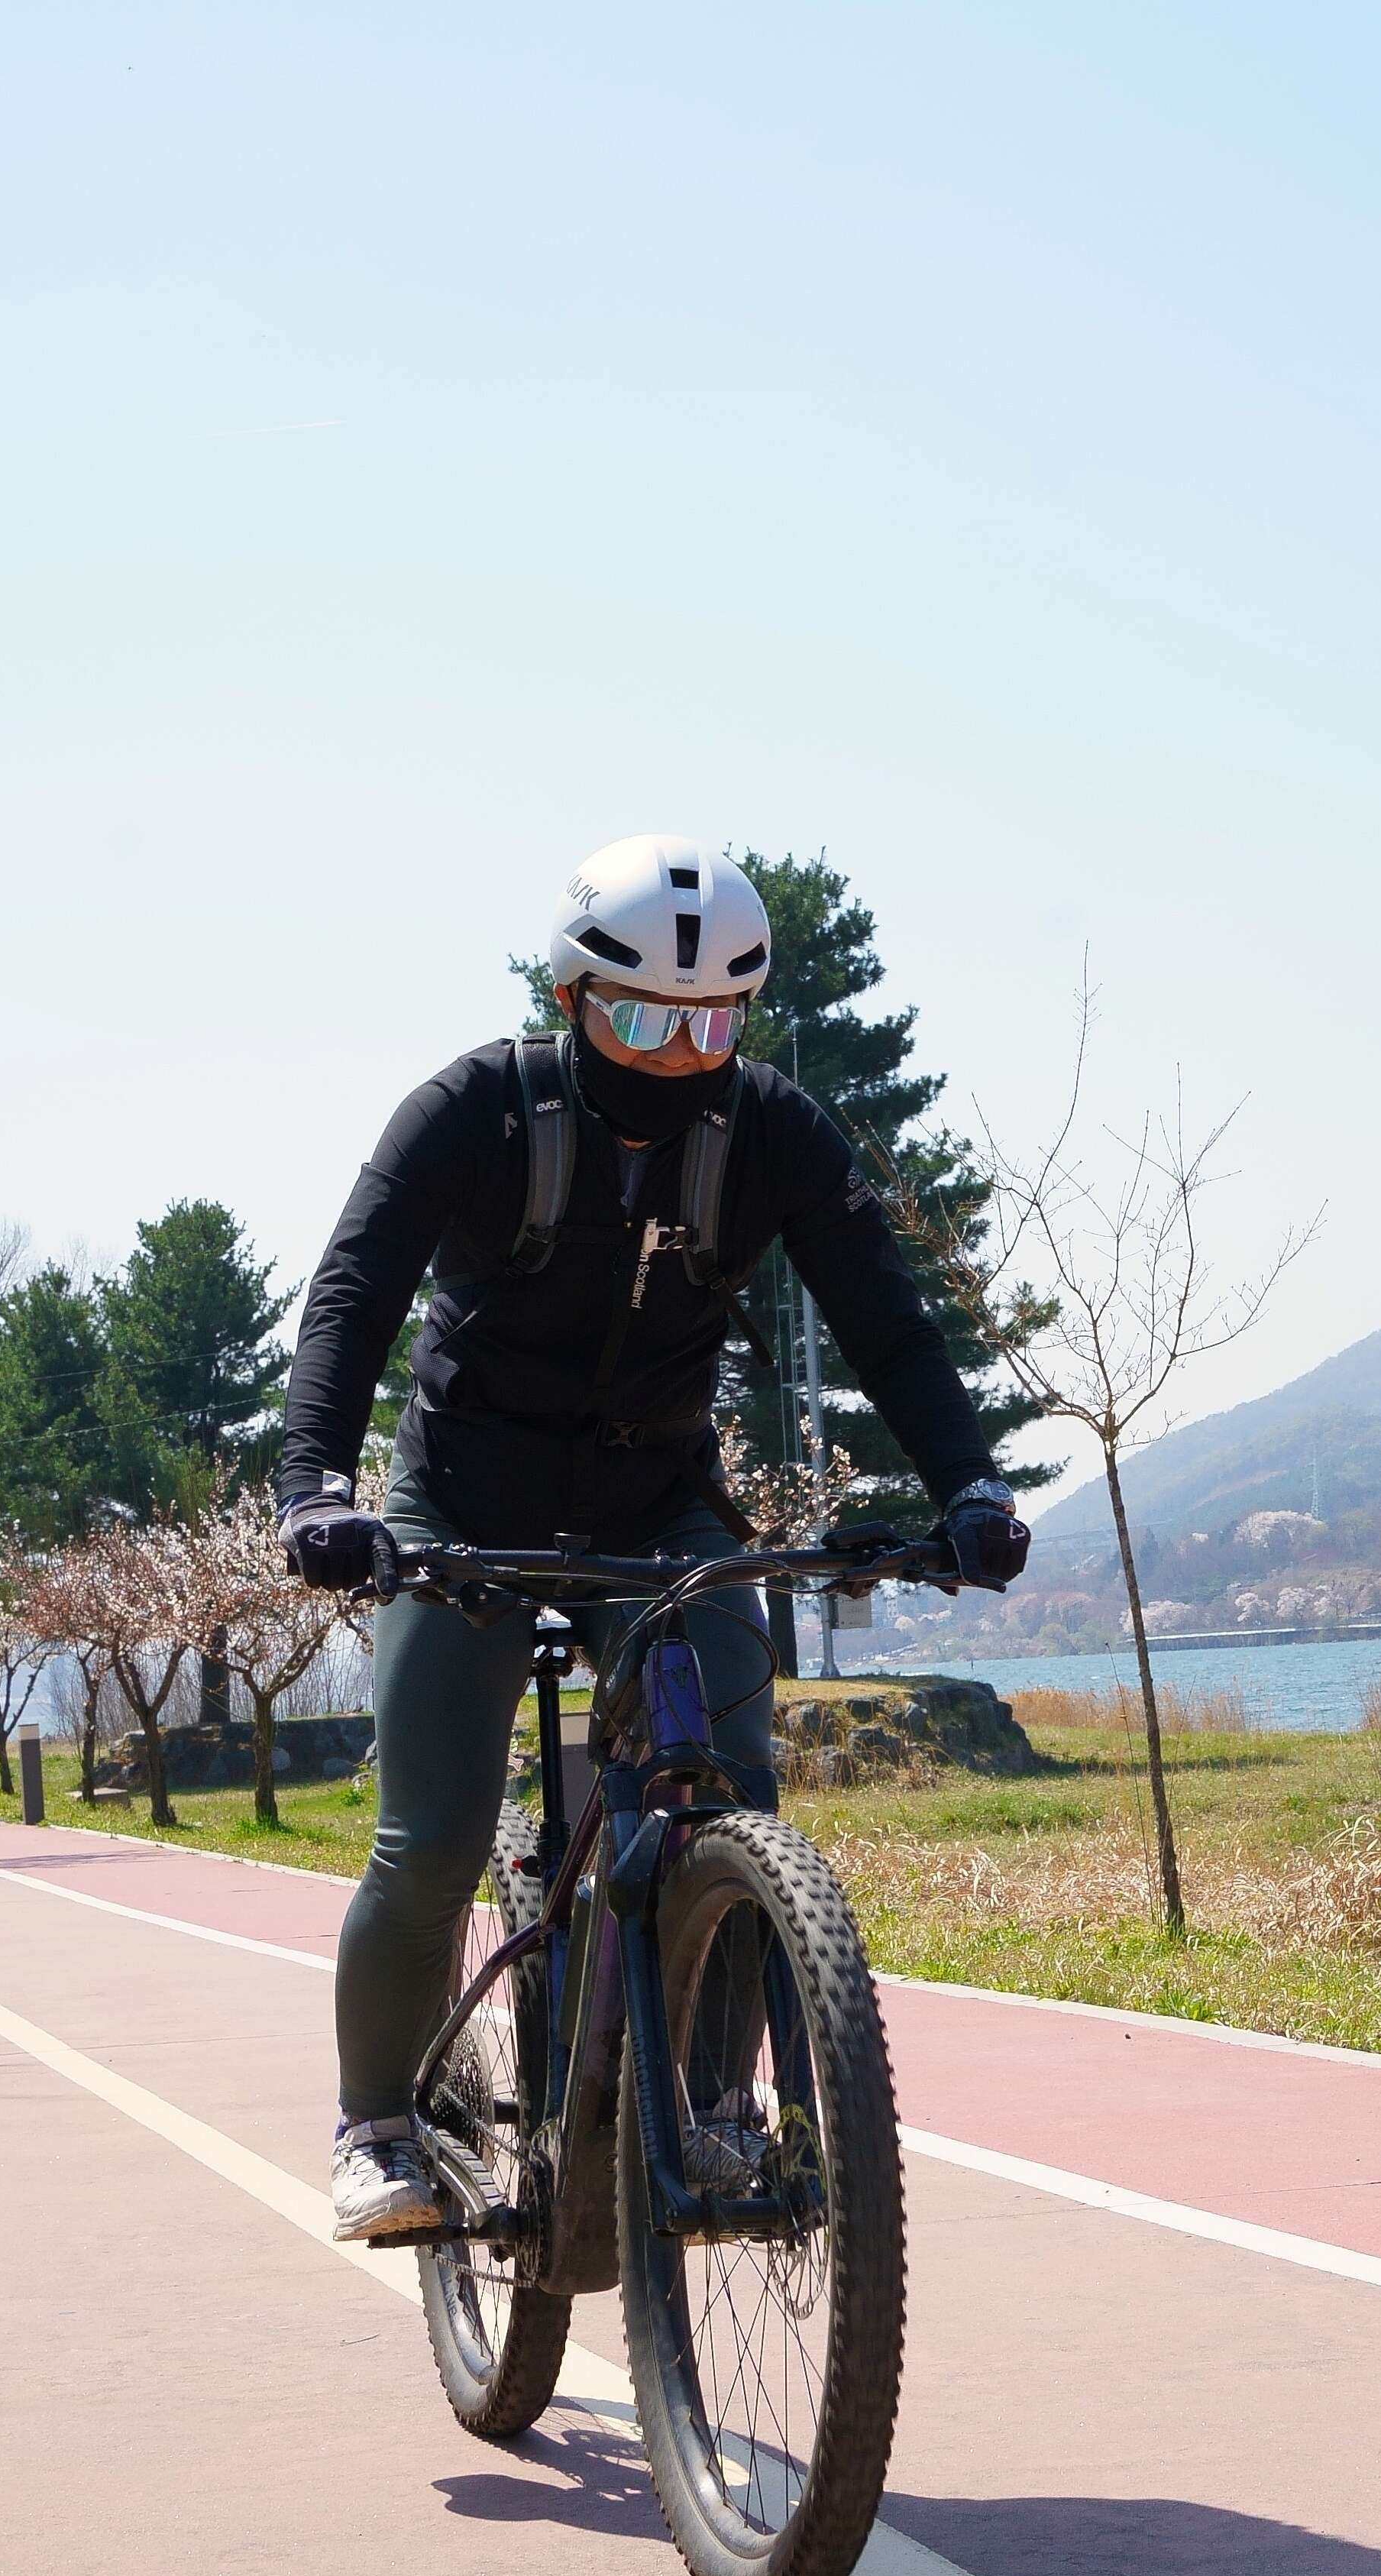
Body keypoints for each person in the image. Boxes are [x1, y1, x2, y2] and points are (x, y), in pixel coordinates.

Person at [277, 834, 1032, 2239]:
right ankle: (376, 2126)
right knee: (431, 1841)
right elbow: (352, 1297)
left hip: (661, 1499)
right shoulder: (470, 1112)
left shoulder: (774, 1132)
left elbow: (886, 1317)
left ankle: (719, 2109)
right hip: (465, 1508)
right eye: (642, 1017)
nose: (681, 1054)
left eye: (714, 1022)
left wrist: (970, 1487)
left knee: (729, 1797)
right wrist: (317, 1490)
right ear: (570, 997)